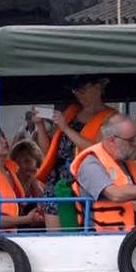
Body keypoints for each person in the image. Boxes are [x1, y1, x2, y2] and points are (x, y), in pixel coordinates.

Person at [36, 75, 119, 230]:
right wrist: (40, 126)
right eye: (75, 91)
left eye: (82, 89)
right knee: (54, 239)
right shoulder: (71, 112)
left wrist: (66, 128)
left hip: (85, 182)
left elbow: (98, 148)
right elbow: (48, 151)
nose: (79, 95)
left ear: (99, 86)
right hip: (57, 181)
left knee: (80, 234)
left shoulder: (110, 117)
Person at [70, 114, 136, 232]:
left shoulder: (125, 161)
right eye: (130, 140)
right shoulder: (91, 165)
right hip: (104, 236)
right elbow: (115, 194)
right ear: (112, 140)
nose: (135, 144)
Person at [8, 139, 44, 215]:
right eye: (18, 162)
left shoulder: (41, 181)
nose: (23, 165)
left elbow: (45, 206)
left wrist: (35, 183)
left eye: (27, 161)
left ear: (37, 161)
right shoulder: (10, 181)